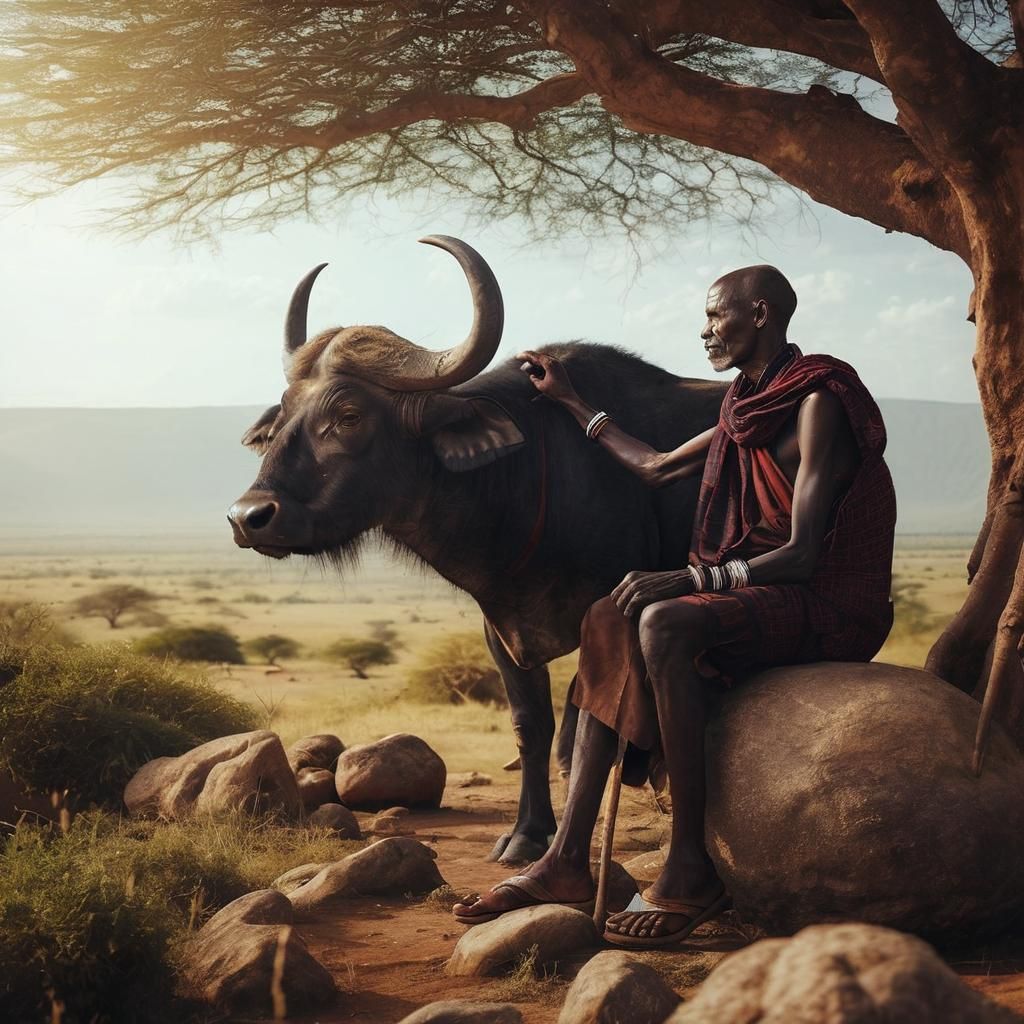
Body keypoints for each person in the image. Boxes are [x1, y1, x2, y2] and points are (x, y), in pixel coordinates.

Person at [452, 264, 896, 948]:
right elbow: (655, 465)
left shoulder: (817, 403)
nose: (706, 329)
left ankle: (690, 868)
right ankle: (568, 859)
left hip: (825, 601)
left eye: (718, 316)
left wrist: (694, 578)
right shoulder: (747, 403)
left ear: (762, 314)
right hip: (762, 590)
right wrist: (571, 402)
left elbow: (806, 554)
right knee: (608, 613)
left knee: (662, 616)